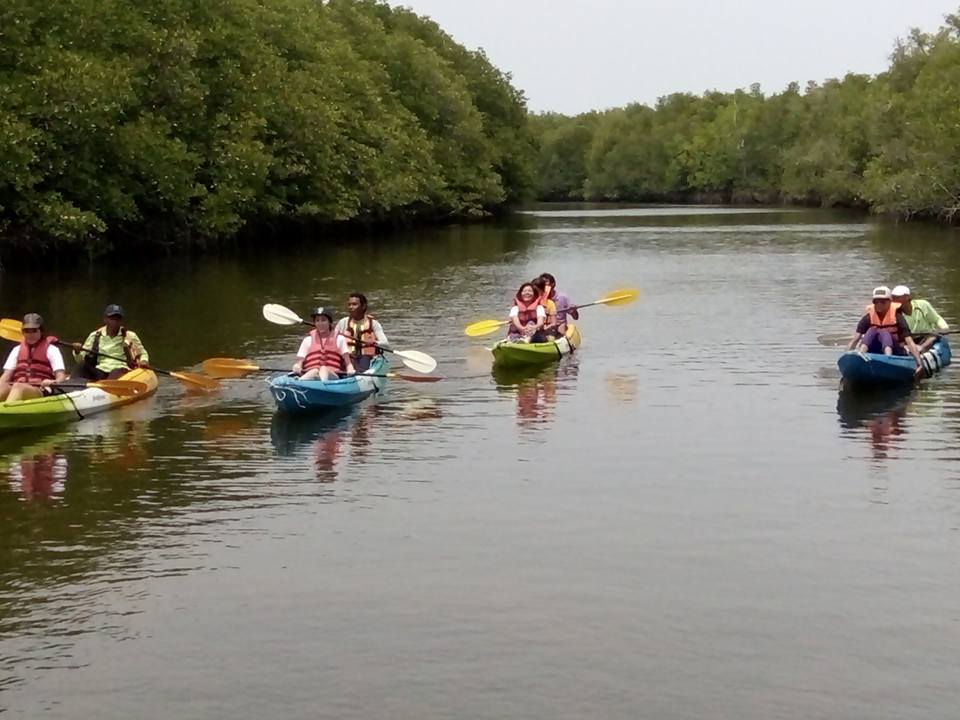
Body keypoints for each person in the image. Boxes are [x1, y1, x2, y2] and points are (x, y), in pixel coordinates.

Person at [847, 286, 924, 377]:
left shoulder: (897, 317)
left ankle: (888, 358)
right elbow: (856, 339)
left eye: (882, 302)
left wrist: (919, 363)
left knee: (884, 332)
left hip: (895, 351)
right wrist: (847, 358)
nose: (879, 304)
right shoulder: (868, 317)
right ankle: (861, 354)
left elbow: (909, 340)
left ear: (890, 302)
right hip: (875, 349)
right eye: (876, 302)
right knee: (872, 330)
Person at [0, 313, 68, 402]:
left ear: (41, 331)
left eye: (34, 330)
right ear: (23, 332)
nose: (30, 334)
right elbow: (6, 376)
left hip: (40, 389)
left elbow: (61, 377)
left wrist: (53, 382)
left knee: (19, 388)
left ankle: (6, 412)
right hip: (17, 386)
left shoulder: (52, 350)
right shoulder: (17, 350)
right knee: (3, 387)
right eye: (27, 331)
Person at [72, 304, 150, 381]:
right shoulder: (95, 335)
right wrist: (77, 351)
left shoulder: (130, 336)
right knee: (82, 366)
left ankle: (109, 389)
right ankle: (69, 387)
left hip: (121, 370)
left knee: (115, 372)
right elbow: (81, 359)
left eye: (118, 319)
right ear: (105, 319)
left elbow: (142, 353)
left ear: (121, 321)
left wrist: (144, 361)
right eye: (112, 318)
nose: (115, 322)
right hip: (100, 370)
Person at [293, 308, 355, 381]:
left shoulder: (340, 339)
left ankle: (322, 386)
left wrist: (350, 369)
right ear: (315, 323)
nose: (320, 323)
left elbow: (348, 363)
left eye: (323, 320)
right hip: (311, 375)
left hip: (332, 376)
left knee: (323, 369)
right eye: (317, 320)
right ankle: (300, 383)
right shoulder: (307, 340)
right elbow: (299, 363)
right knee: (314, 371)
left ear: (329, 322)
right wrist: (297, 366)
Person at [334, 292, 389, 372]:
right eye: (349, 305)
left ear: (363, 306)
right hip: (348, 357)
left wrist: (374, 343)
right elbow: (333, 341)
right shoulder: (343, 322)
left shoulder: (373, 324)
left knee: (363, 362)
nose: (351, 307)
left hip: (366, 357)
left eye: (354, 304)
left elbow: (385, 343)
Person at [891, 285, 949, 353]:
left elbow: (937, 319)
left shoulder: (923, 305)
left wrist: (944, 328)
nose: (895, 300)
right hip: (908, 339)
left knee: (934, 335)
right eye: (894, 297)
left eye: (898, 297)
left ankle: (922, 348)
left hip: (926, 336)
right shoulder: (894, 312)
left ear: (908, 297)